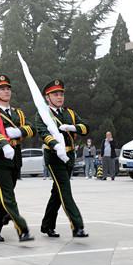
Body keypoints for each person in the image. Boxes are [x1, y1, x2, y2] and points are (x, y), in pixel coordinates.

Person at [36, 80, 89, 239]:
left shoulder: (69, 113)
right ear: (47, 97)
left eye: (61, 94)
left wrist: (72, 127)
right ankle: (77, 226)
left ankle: (47, 224)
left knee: (57, 192)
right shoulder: (43, 114)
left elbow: (85, 127)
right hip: (54, 157)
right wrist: (55, 146)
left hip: (69, 156)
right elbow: (43, 134)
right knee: (65, 190)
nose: (59, 97)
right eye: (55, 94)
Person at [0, 75, 36, 242]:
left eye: (8, 89)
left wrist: (17, 132)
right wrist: (4, 143)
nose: (6, 91)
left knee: (4, 196)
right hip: (0, 157)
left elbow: (31, 129)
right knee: (8, 195)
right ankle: (22, 228)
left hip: (15, 157)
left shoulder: (18, 113)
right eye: (2, 89)